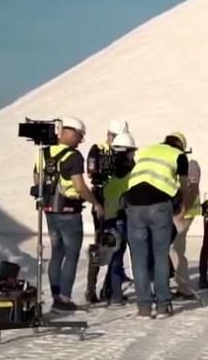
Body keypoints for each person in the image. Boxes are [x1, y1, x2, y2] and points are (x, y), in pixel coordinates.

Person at [32, 116, 102, 311]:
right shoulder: (74, 156)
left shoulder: (43, 153)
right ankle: (64, 299)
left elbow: (37, 178)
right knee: (71, 254)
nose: (80, 140)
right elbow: (79, 186)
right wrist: (95, 202)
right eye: (79, 136)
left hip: (49, 211)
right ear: (69, 132)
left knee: (56, 253)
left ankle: (56, 296)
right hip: (69, 211)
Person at [123, 132, 193, 319]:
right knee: (160, 255)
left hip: (134, 205)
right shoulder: (179, 156)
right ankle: (163, 306)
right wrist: (184, 206)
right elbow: (185, 186)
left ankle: (144, 308)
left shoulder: (147, 151)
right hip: (159, 206)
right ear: (180, 145)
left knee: (139, 258)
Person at [84, 119, 130, 304]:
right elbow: (91, 172)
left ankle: (109, 287)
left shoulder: (125, 151)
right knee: (101, 244)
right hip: (102, 200)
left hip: (120, 204)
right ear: (109, 135)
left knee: (119, 245)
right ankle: (90, 287)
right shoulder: (98, 149)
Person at [99, 132, 136, 306]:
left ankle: (115, 296)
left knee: (115, 257)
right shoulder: (132, 170)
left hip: (109, 218)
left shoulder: (105, 170)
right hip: (127, 217)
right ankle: (145, 293)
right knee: (138, 255)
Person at [170, 134, 201, 300]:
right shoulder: (175, 164)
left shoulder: (191, 165)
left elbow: (193, 189)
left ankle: (184, 287)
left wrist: (183, 210)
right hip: (180, 211)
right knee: (176, 249)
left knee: (174, 249)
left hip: (185, 212)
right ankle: (181, 285)